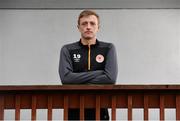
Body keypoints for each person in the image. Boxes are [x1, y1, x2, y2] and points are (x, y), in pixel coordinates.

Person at [59, 10, 118, 120]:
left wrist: (77, 80)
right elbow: (66, 78)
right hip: (74, 109)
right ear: (78, 27)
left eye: (92, 23)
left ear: (98, 27)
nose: (88, 27)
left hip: (100, 108)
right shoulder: (67, 49)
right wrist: (100, 73)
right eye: (84, 23)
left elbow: (110, 78)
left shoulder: (108, 48)